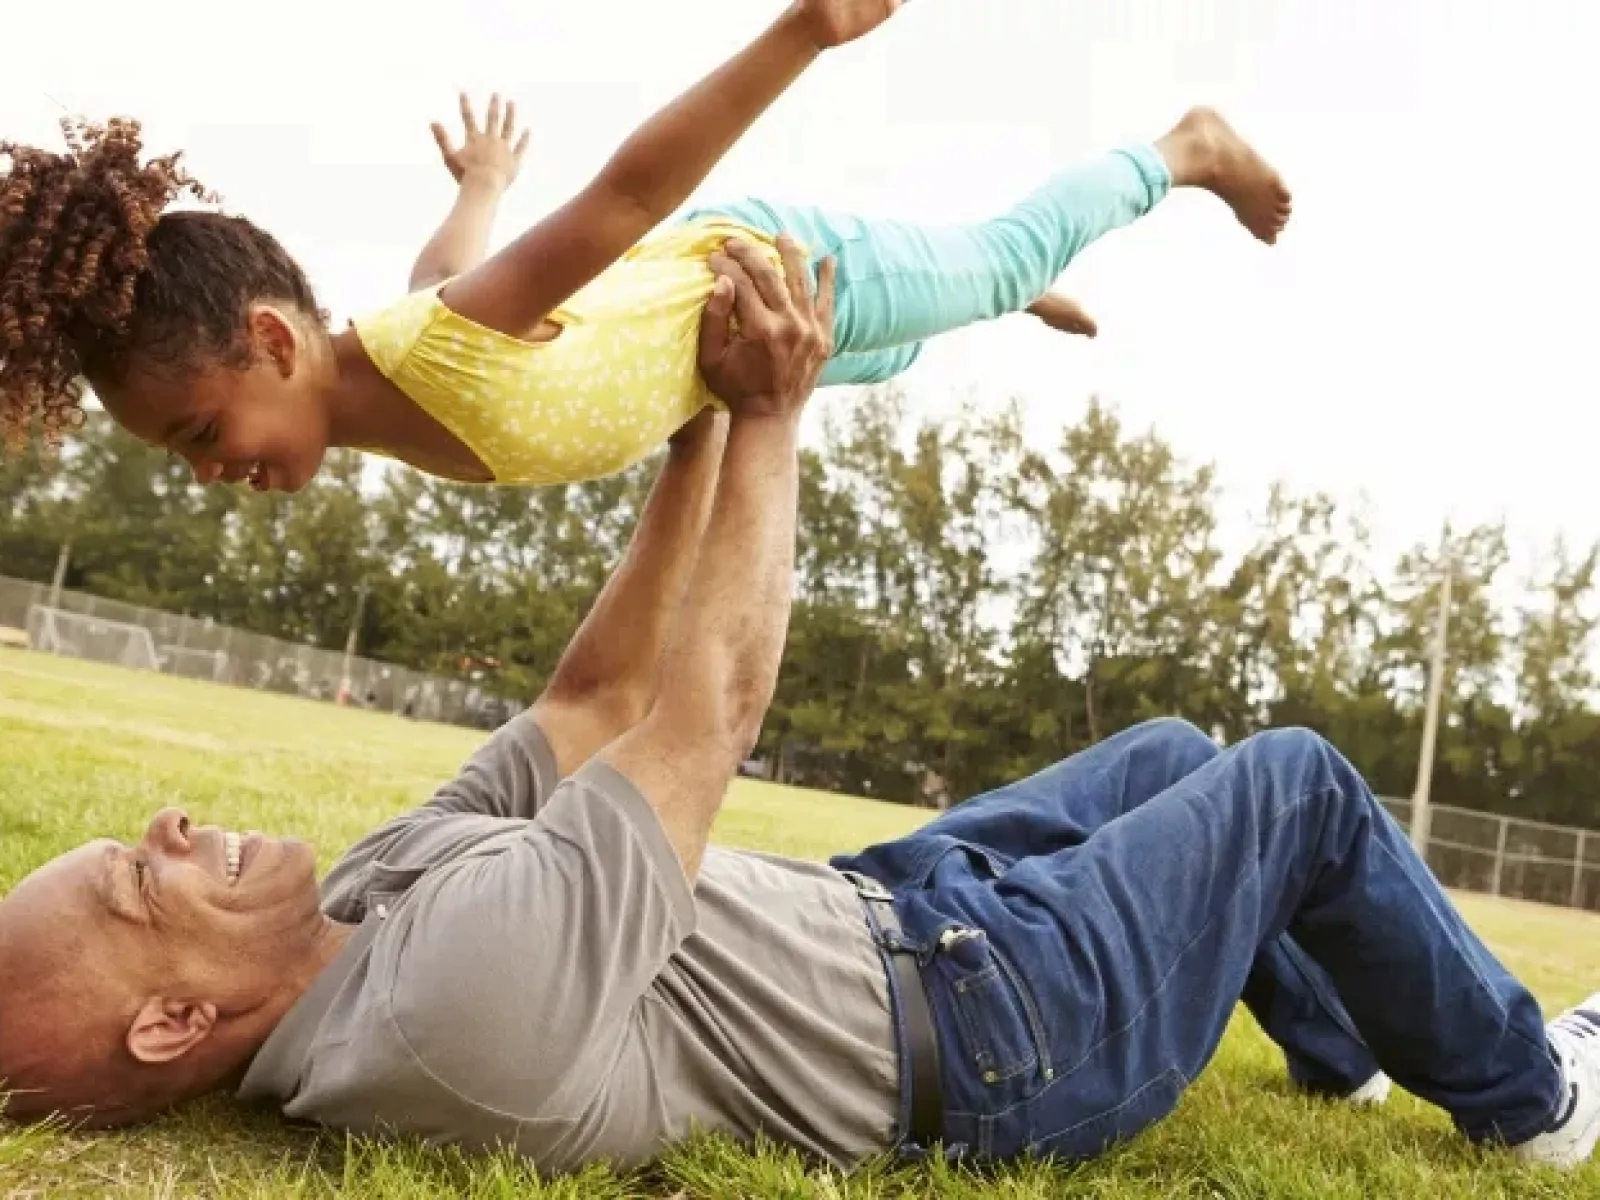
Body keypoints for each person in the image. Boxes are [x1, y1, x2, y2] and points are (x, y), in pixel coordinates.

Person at [2, 241, 1596, 1180]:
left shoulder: (351, 909)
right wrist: (771, 411)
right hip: (1001, 1037)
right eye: (138, 879)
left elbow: (594, 696)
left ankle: (1355, 1056)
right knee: (1297, 786)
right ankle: (1538, 1105)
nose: (164, 828)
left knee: (1177, 762)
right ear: (172, 1022)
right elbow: (703, 711)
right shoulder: (435, 1012)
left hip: (894, 915)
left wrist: (687, 427)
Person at [0, 0, 1291, 493]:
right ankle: (994, 299)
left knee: (992, 263)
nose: (203, 471)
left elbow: (625, 197)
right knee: (892, 358)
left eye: (196, 436)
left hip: (768, 266)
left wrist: (802, 31)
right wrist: (489, 182)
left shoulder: (442, 346)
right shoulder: (419, 336)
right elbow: (447, 260)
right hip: (709, 367)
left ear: (271, 340)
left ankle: (1180, 150)